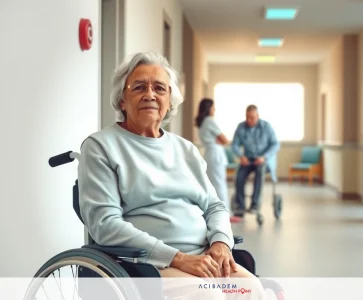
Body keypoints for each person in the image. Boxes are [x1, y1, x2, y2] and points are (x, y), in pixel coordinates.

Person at [77, 52, 265, 299]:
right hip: (144, 264)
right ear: (122, 99)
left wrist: (220, 242)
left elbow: (214, 206)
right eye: (139, 87)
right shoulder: (100, 146)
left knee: (252, 289)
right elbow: (105, 224)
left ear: (169, 101)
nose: (150, 94)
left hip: (204, 258)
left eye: (159, 88)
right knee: (209, 295)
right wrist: (178, 258)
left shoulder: (185, 149)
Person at [195, 98, 242, 223]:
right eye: (213, 107)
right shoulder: (210, 121)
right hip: (215, 154)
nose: (214, 109)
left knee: (213, 185)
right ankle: (227, 214)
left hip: (210, 154)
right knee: (220, 185)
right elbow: (225, 140)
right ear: (208, 108)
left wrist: (218, 140)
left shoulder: (202, 122)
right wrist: (220, 140)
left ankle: (215, 213)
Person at [231, 105, 280, 216]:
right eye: (247, 117)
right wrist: (241, 156)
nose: (249, 120)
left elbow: (275, 144)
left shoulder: (266, 127)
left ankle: (255, 204)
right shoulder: (241, 127)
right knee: (240, 175)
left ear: (257, 116)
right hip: (248, 160)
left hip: (263, 161)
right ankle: (240, 206)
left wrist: (264, 157)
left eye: (252, 118)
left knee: (260, 170)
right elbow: (234, 145)